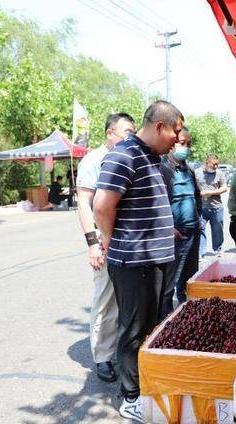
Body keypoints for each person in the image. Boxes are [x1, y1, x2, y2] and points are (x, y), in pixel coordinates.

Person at [93, 100, 184, 423]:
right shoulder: (124, 155)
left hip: (153, 260)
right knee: (132, 329)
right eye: (175, 131)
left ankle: (142, 385)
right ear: (160, 126)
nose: (178, 138)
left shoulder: (151, 157)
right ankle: (131, 396)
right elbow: (103, 206)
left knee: (148, 327)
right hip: (134, 261)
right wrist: (111, 240)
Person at [76, 112, 136, 383]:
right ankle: (102, 357)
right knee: (106, 300)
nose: (130, 137)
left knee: (127, 302)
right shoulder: (94, 160)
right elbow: (84, 203)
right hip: (105, 240)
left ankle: (123, 352)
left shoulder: (130, 157)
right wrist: (93, 244)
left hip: (129, 241)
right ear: (110, 132)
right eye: (126, 132)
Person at [159, 127, 202, 320]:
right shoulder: (164, 169)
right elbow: (159, 203)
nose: (185, 147)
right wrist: (169, 227)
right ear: (172, 143)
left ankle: (186, 318)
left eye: (188, 144)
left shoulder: (189, 169)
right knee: (170, 284)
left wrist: (198, 219)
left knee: (189, 280)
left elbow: (196, 197)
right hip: (176, 235)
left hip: (193, 230)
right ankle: (165, 322)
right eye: (182, 143)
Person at [195, 154, 228, 257]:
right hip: (201, 208)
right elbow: (193, 188)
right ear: (207, 163)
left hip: (216, 207)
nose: (216, 166)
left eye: (217, 164)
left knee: (217, 230)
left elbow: (224, 187)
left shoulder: (220, 173)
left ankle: (218, 249)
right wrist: (200, 194)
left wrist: (211, 193)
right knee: (200, 230)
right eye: (214, 164)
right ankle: (201, 252)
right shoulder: (197, 173)